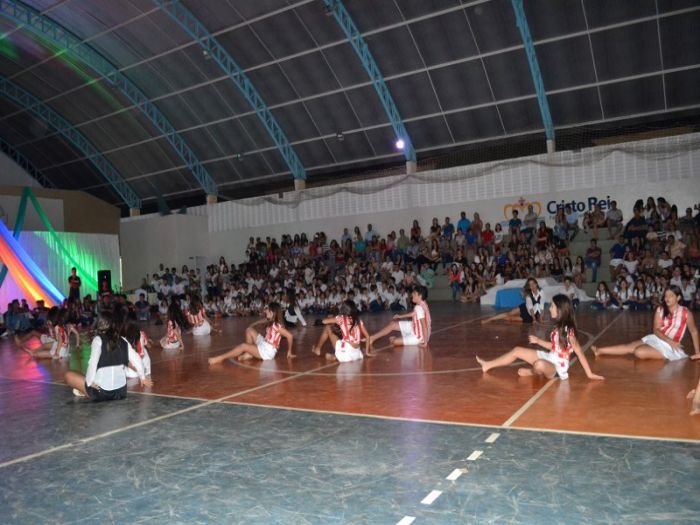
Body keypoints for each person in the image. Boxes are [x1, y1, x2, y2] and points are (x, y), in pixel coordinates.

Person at [476, 294, 603, 381]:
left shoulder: (568, 332)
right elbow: (554, 346)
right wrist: (538, 341)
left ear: (559, 310)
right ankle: (488, 365)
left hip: (558, 367)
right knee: (517, 350)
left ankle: (531, 372)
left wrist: (590, 374)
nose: (550, 309)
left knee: (539, 364)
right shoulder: (558, 326)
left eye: (552, 306)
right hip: (550, 357)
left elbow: (579, 353)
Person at [593, 286, 699, 360]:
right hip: (659, 338)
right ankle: (600, 351)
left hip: (670, 347)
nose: (667, 298)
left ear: (678, 297)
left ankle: (665, 356)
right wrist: (669, 340)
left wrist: (698, 353)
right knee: (630, 346)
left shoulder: (686, 313)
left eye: (670, 295)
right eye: (666, 295)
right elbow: (656, 330)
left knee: (638, 351)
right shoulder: (660, 309)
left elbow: (694, 331)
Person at [65, 313, 152, 401]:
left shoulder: (98, 340)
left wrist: (90, 382)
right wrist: (143, 378)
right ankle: (85, 392)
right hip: (120, 393)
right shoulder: (123, 340)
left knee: (69, 375)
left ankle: (86, 393)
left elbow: (93, 363)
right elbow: (136, 359)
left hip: (102, 393)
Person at [208, 303, 294, 363]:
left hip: (267, 351)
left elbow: (289, 336)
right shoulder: (272, 321)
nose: (265, 311)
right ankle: (249, 353)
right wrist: (254, 324)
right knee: (249, 330)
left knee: (243, 346)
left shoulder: (277, 325)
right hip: (265, 343)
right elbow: (264, 320)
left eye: (267, 310)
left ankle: (220, 358)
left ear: (272, 313)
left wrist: (289, 351)